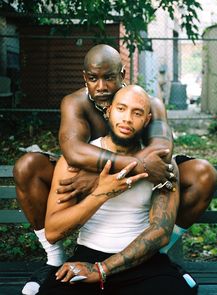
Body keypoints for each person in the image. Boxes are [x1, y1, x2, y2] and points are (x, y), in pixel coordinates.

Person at [13, 44, 217, 295]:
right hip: (94, 178)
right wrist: (104, 185)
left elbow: (162, 151)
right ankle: (53, 260)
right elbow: (75, 152)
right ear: (85, 78)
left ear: (122, 74)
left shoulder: (150, 102)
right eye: (93, 78)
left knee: (201, 173)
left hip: (135, 182)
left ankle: (158, 255)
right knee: (28, 166)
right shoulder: (75, 102)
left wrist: (116, 175)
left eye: (109, 77)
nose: (101, 86)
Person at [38, 85, 197, 294]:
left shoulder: (160, 165)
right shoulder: (77, 161)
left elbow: (160, 232)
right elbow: (53, 232)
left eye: (137, 113)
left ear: (147, 120)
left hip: (142, 259)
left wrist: (102, 269)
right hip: (88, 254)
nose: (128, 118)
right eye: (121, 109)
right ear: (108, 111)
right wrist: (101, 192)